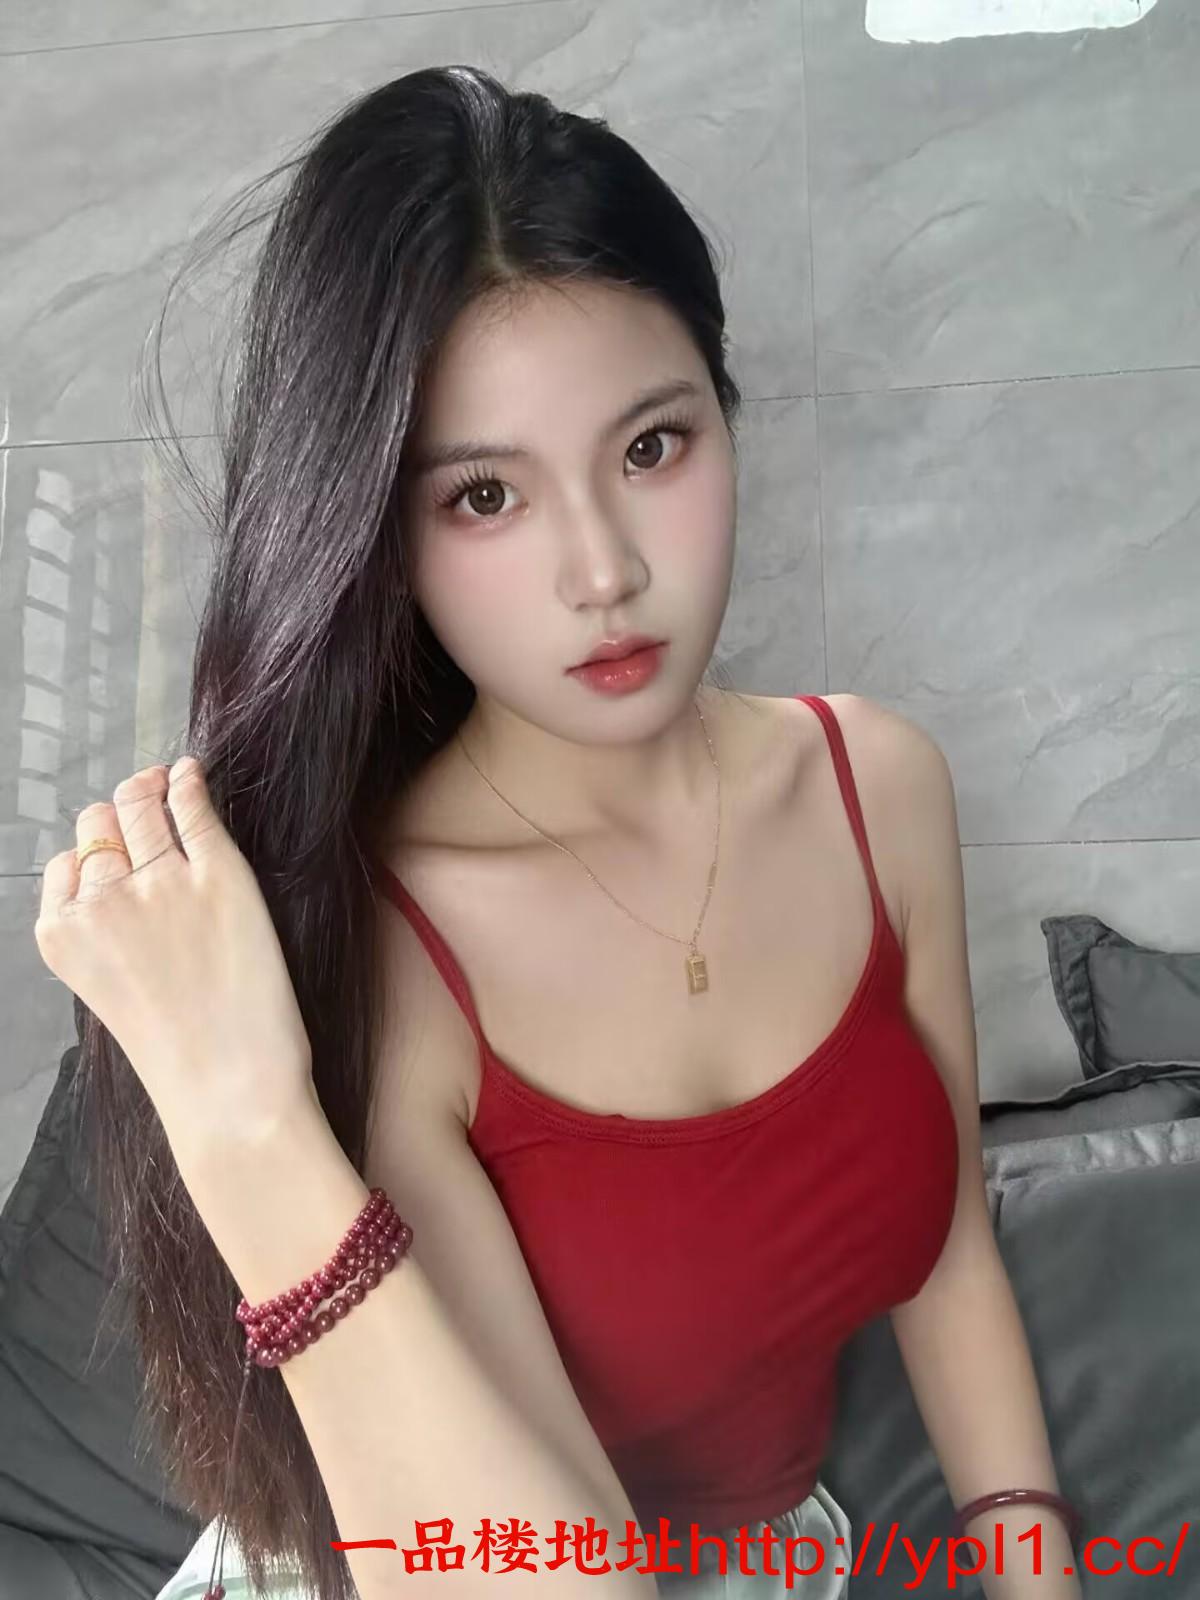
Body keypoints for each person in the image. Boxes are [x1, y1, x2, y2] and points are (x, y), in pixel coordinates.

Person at [34, 63, 1079, 1600]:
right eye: (483, 499)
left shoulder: (880, 790)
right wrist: (241, 1122)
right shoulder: (386, 946)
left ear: (726, 414)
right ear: (379, 537)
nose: (602, 571)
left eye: (651, 448)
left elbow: (950, 1258)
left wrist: (1035, 1569)